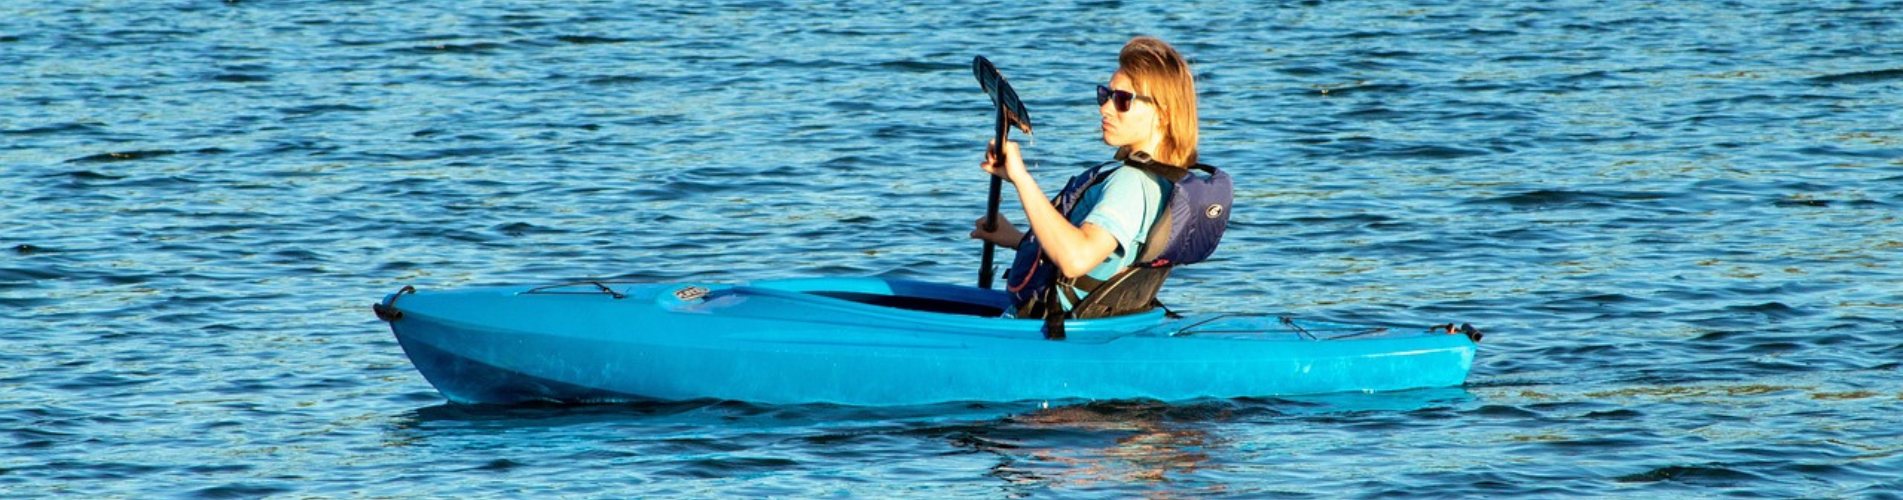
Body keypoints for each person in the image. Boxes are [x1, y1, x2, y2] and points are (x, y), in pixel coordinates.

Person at [971, 36, 1204, 321]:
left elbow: (1076, 259)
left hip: (1056, 329)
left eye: (1122, 100)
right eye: (1104, 95)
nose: (1105, 108)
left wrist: (1021, 178)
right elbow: (1101, 265)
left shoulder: (1131, 183)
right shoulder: (1160, 179)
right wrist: (1020, 241)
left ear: (1163, 114)